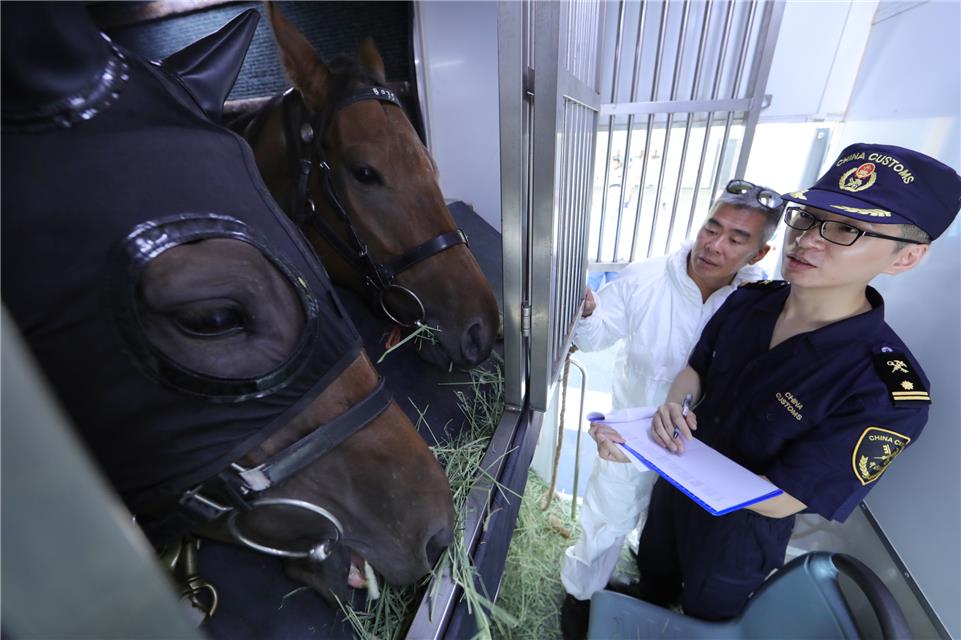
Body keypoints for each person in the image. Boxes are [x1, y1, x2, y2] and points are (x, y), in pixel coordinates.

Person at [634, 143, 960, 621]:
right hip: (670, 496)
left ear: (905, 258)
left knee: (706, 619)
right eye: (806, 217)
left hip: (737, 537)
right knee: (650, 579)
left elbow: (784, 497)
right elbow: (697, 370)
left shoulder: (886, 392)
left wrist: (647, 446)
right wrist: (673, 408)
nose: (807, 239)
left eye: (847, 228)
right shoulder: (750, 300)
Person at [560, 180, 784, 639]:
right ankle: (579, 600)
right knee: (606, 521)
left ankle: (649, 598)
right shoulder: (646, 277)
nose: (714, 245)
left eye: (737, 239)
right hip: (632, 437)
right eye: (712, 228)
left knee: (667, 539)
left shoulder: (759, 303)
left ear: (758, 254)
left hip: (704, 452)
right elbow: (597, 335)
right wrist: (583, 309)